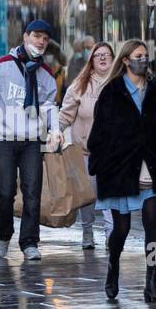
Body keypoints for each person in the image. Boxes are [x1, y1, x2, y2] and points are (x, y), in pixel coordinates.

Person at [86, 39, 156, 301]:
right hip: (120, 169)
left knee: (152, 223)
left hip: (151, 166)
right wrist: (100, 165)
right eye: (138, 55)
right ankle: (113, 267)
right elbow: (100, 133)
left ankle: (152, 281)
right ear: (125, 60)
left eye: (146, 55)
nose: (144, 60)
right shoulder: (112, 91)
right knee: (121, 228)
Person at [0, 20, 62, 261]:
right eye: (37, 36)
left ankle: (29, 242)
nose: (41, 42)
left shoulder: (47, 74)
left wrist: (56, 129)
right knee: (5, 192)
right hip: (3, 139)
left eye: (45, 39)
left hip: (32, 141)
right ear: (25, 37)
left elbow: (50, 107)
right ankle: (3, 235)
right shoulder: (2, 66)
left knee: (32, 193)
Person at [59, 40, 114, 248]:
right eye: (97, 55)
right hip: (86, 152)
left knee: (110, 195)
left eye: (106, 55)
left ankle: (111, 234)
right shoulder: (79, 85)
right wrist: (56, 131)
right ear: (91, 60)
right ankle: (87, 231)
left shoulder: (120, 83)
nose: (102, 58)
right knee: (88, 196)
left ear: (113, 59)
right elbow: (65, 115)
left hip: (112, 152)